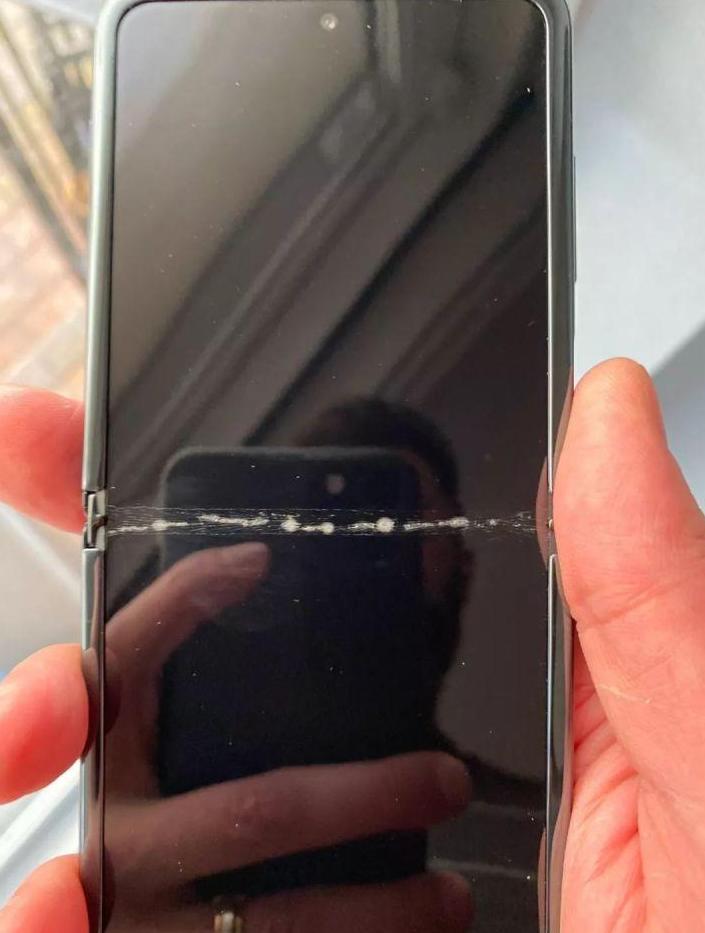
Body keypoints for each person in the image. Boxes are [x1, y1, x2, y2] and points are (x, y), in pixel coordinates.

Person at [0, 358, 704, 931]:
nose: (345, 563)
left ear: (464, 565)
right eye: (313, 535)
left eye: (391, 528)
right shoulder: (163, 796)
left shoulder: (572, 842)